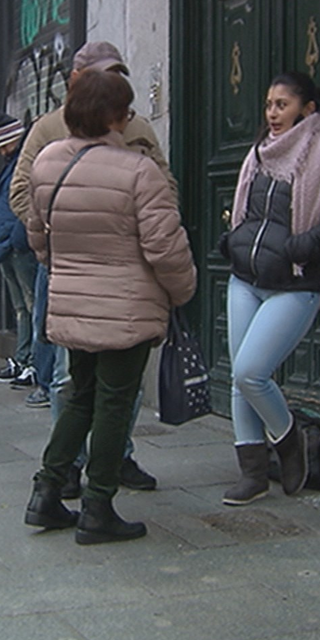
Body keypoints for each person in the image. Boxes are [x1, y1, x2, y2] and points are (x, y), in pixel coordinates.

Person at [22, 70, 196, 544]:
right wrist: (183, 292)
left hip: (73, 303)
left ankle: (47, 492)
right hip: (125, 308)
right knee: (115, 403)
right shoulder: (139, 171)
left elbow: (38, 239)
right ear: (117, 116)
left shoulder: (46, 164)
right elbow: (165, 248)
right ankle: (98, 505)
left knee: (80, 394)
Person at [10, 40, 172, 495]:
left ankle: (111, 461)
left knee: (116, 389)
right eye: (103, 74)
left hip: (124, 276)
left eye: (118, 73)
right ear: (77, 79)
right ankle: (79, 481)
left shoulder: (138, 127)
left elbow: (165, 189)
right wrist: (63, 250)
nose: (112, 82)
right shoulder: (46, 131)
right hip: (74, 276)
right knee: (75, 383)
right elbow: (24, 198)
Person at [219, 71, 320, 506]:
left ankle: (288, 436)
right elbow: (247, 215)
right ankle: (253, 474)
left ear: (307, 109)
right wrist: (231, 243)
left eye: (282, 105)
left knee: (250, 371)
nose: (272, 114)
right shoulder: (258, 155)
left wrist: (300, 246)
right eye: (268, 105)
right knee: (240, 381)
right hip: (245, 278)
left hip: (294, 284)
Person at [0, 110, 38, 388]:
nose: (2, 150)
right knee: (23, 306)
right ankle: (25, 357)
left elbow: (18, 205)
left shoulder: (22, 163)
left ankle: (31, 361)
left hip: (15, 244)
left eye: (4, 144)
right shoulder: (15, 162)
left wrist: (17, 238)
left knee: (29, 305)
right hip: (10, 244)